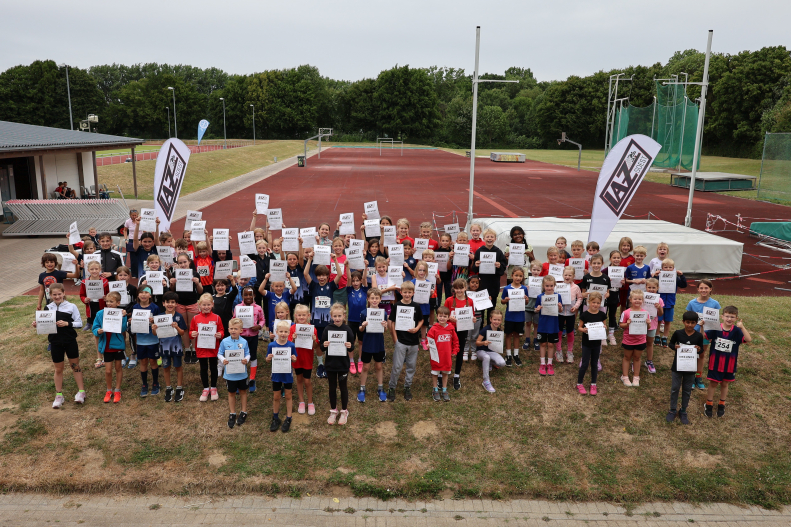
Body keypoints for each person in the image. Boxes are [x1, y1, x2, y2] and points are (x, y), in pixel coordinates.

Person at [32, 283, 86, 408]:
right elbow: (45, 325)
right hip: (55, 342)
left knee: (75, 366)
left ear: (64, 293)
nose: (57, 296)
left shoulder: (71, 306)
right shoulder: (48, 308)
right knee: (58, 369)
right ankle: (59, 395)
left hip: (70, 340)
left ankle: (81, 392)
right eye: (54, 294)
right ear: (50, 295)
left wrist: (67, 323)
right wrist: (37, 324)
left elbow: (79, 323)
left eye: (59, 294)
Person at [704, 306, 751, 418]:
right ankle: (709, 403)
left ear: (736, 318)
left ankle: (722, 403)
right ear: (722, 316)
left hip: (729, 364)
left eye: (732, 317)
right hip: (715, 362)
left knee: (725, 383)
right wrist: (701, 326)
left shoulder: (737, 331)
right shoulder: (716, 328)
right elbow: (704, 335)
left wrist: (742, 327)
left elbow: (748, 339)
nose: (729, 319)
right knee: (713, 383)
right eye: (727, 316)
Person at [303, 253, 341, 379]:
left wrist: (335, 260)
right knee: (318, 343)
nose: (321, 277)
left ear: (328, 276)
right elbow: (305, 274)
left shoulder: (331, 286)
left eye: (324, 275)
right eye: (319, 275)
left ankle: (329, 362)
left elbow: (340, 274)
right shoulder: (313, 285)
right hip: (317, 321)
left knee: (329, 342)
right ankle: (320, 364)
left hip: (329, 321)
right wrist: (309, 259)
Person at [387, 281, 424, 402]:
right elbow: (391, 322)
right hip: (401, 341)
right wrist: (395, 339)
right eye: (405, 292)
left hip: (413, 342)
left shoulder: (416, 306)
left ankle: (407, 386)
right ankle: (392, 387)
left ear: (413, 293)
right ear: (401, 292)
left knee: (411, 366)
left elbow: (421, 320)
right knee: (397, 366)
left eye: (409, 292)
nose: (407, 294)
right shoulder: (397, 306)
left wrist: (417, 329)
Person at [666, 311, 704, 424]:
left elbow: (701, 349)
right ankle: (672, 410)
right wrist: (675, 347)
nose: (690, 325)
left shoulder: (698, 336)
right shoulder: (678, 333)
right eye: (687, 322)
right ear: (683, 322)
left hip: (691, 368)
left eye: (693, 323)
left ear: (696, 323)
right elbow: (671, 344)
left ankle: (683, 411)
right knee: (675, 388)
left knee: (687, 390)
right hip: (677, 366)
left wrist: (698, 349)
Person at [321, 304, 356, 424]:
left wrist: (350, 346)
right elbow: (321, 346)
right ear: (331, 316)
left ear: (344, 316)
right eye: (335, 316)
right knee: (332, 387)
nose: (337, 318)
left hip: (343, 364)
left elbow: (352, 347)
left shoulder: (347, 329)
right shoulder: (327, 329)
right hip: (330, 364)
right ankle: (333, 411)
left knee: (343, 387)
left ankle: (344, 411)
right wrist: (324, 345)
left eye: (339, 316)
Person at [685, 280, 720, 390]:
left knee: (701, 355)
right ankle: (690, 377)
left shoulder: (715, 304)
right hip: (692, 333)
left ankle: (698, 377)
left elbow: (715, 321)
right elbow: (687, 318)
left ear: (710, 289)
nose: (704, 290)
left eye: (706, 288)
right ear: (698, 289)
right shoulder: (692, 303)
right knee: (692, 354)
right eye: (701, 288)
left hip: (706, 334)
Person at [93, 292, 128, 403]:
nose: (108, 303)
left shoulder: (122, 314)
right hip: (106, 346)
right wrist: (98, 331)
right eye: (107, 301)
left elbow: (122, 329)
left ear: (118, 303)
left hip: (117, 345)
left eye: (111, 301)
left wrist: (123, 317)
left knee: (118, 368)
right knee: (108, 371)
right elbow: (95, 328)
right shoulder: (100, 314)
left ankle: (117, 390)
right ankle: (109, 390)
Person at [153, 291, 187, 403]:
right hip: (164, 347)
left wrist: (177, 327)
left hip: (176, 347)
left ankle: (179, 388)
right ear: (163, 303)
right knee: (166, 367)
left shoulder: (179, 317)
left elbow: (182, 333)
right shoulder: (159, 317)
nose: (170, 304)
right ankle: (168, 388)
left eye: (173, 302)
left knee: (178, 367)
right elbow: (155, 334)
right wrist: (153, 328)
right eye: (167, 302)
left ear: (176, 304)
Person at [170, 253, 203, 364]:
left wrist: (197, 283)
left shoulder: (195, 274)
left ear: (189, 262)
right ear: (178, 264)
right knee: (183, 328)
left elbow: (200, 291)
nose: (183, 264)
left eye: (185, 262)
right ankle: (187, 349)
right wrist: (172, 283)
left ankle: (194, 349)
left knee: (192, 326)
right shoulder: (175, 273)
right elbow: (172, 290)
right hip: (180, 304)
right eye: (180, 263)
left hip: (192, 303)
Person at [189, 293, 224, 402]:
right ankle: (205, 388)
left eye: (208, 304)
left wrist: (220, 335)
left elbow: (222, 330)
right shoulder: (195, 318)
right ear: (199, 305)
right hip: (201, 349)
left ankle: (213, 387)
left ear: (212, 305)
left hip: (213, 348)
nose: (206, 307)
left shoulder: (217, 318)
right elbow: (190, 332)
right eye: (204, 305)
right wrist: (192, 334)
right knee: (203, 368)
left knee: (213, 368)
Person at [218, 318, 251, 429]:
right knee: (231, 393)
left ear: (241, 330)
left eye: (236, 329)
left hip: (242, 374)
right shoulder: (224, 341)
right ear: (228, 329)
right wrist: (223, 360)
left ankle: (243, 411)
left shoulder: (244, 342)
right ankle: (232, 413)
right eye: (231, 328)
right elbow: (219, 354)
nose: (233, 331)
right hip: (230, 374)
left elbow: (248, 354)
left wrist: (246, 359)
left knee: (243, 392)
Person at [358, 288, 389, 402]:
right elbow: (360, 330)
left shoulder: (383, 313)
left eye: (377, 298)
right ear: (368, 299)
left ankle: (380, 388)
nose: (374, 300)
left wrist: (385, 326)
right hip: (367, 344)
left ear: (380, 299)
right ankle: (362, 388)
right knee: (365, 367)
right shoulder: (363, 313)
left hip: (378, 344)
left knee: (379, 366)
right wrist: (363, 325)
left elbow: (384, 331)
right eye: (372, 298)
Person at [445, 278, 476, 390]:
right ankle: (442, 373)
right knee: (447, 351)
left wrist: (473, 319)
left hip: (462, 330)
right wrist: (449, 318)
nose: (459, 290)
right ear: (454, 289)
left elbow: (472, 315)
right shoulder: (449, 300)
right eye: (456, 288)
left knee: (459, 351)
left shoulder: (470, 301)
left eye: (461, 288)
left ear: (465, 288)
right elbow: (443, 315)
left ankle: (456, 375)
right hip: (450, 330)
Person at [288, 305, 319, 415]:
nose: (301, 317)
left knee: (307, 381)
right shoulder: (292, 329)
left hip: (307, 359)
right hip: (297, 359)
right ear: (295, 316)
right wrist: (293, 338)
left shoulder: (312, 329)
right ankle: (301, 401)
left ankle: (310, 402)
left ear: (308, 316)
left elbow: (315, 347)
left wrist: (314, 340)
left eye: (303, 315)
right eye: (299, 315)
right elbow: (289, 345)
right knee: (299, 379)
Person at [234, 286, 265, 393]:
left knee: (252, 356)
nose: (248, 297)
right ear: (242, 296)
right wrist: (236, 327)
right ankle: (240, 379)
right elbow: (234, 319)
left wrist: (259, 326)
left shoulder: (258, 308)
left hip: (253, 336)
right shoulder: (238, 307)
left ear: (254, 295)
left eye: (250, 294)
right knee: (240, 357)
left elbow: (262, 320)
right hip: (241, 337)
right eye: (245, 295)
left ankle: (252, 379)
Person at [472, 228, 506, 324]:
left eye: (492, 237)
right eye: (487, 237)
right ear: (484, 238)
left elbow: (502, 271)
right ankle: (481, 328)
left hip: (494, 284)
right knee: (481, 309)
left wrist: (499, 266)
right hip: (482, 284)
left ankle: (490, 328)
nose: (489, 238)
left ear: (495, 239)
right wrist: (476, 265)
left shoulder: (498, 252)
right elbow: (474, 269)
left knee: (491, 308)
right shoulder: (479, 251)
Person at [132, 286, 161, 397]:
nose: (143, 295)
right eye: (141, 292)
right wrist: (132, 320)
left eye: (146, 292)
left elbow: (159, 323)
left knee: (153, 362)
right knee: (143, 362)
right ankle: (144, 384)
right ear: (138, 295)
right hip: (140, 341)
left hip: (153, 340)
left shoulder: (155, 307)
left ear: (150, 295)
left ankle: (155, 383)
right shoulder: (135, 307)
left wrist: (154, 321)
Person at [577, 291, 607, 396]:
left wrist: (605, 328)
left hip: (597, 344)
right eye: (593, 302)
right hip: (586, 344)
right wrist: (584, 330)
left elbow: (604, 326)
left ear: (601, 303)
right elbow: (579, 327)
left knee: (594, 363)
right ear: (589, 302)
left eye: (598, 303)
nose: (595, 305)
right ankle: (579, 383)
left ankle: (593, 383)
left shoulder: (602, 314)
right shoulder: (585, 315)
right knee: (584, 364)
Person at [654, 257, 687, 348]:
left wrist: (681, 276)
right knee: (658, 320)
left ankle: (665, 337)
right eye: (665, 267)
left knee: (668, 321)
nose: (668, 269)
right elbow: (652, 284)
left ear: (673, 268)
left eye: (670, 267)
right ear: (662, 268)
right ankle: (657, 335)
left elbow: (683, 285)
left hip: (670, 302)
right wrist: (655, 276)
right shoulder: (659, 276)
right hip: (660, 302)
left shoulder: (675, 278)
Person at [427, 306, 459, 401]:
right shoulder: (433, 329)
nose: (442, 318)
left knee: (445, 373)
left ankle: (444, 390)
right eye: (440, 316)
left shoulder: (451, 328)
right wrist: (428, 344)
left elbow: (456, 341)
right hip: (436, 356)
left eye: (445, 316)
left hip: (446, 356)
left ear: (448, 317)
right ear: (437, 316)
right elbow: (428, 340)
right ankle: (435, 389)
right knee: (435, 373)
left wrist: (455, 351)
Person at [619, 290, 648, 387]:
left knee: (637, 358)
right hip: (628, 339)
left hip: (640, 340)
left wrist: (648, 323)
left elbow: (647, 327)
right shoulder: (626, 312)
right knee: (627, 357)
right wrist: (627, 324)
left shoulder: (645, 313)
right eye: (635, 299)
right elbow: (621, 325)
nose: (637, 301)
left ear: (642, 301)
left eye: (640, 299)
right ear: (630, 300)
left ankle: (636, 377)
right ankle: (625, 376)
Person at [500, 268, 528, 367]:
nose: (518, 278)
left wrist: (526, 299)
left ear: (523, 277)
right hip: (510, 317)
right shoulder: (507, 288)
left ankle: (516, 354)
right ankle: (508, 355)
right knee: (508, 335)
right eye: (516, 275)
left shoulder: (524, 289)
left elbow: (526, 302)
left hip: (520, 317)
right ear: (512, 276)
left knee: (517, 335)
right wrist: (506, 300)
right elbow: (502, 301)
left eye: (520, 276)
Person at [535, 275, 562, 376]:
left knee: (551, 344)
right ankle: (543, 363)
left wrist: (560, 307)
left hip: (553, 324)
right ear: (543, 286)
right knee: (542, 343)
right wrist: (537, 309)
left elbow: (561, 310)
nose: (549, 288)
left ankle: (549, 363)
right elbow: (535, 309)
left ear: (554, 285)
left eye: (551, 286)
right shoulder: (540, 297)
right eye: (547, 286)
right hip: (543, 324)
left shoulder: (558, 296)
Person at [475, 310, 506, 393]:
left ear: (501, 321)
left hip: (491, 352)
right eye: (495, 319)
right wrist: (483, 343)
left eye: (499, 320)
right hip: (481, 351)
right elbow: (477, 343)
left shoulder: (500, 331)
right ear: (490, 319)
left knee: (502, 363)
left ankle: (490, 363)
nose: (497, 322)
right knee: (486, 357)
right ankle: (486, 381)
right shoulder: (485, 329)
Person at [556, 266, 582, 364]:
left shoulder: (576, 287)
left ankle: (569, 351)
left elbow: (580, 298)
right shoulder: (558, 286)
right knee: (559, 331)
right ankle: (558, 351)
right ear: (562, 275)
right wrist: (558, 305)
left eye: (570, 275)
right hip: (560, 312)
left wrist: (575, 307)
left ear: (574, 276)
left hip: (571, 313)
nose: (567, 277)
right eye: (565, 275)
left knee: (570, 332)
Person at [345, 268, 368, 375]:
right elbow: (348, 277)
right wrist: (348, 265)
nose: (355, 283)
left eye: (357, 281)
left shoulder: (364, 290)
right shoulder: (349, 290)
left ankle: (360, 360)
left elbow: (364, 277)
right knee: (351, 341)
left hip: (362, 320)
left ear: (361, 281)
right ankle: (351, 361)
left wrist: (366, 266)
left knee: (361, 341)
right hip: (351, 320)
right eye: (353, 281)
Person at [642, 278, 664, 375]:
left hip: (652, 325)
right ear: (646, 287)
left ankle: (649, 361)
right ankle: (636, 360)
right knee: (639, 342)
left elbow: (660, 314)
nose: (651, 289)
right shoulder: (642, 297)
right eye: (649, 287)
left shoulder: (659, 300)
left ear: (658, 288)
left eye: (653, 287)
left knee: (650, 343)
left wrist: (659, 307)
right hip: (641, 324)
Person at [603, 250, 624, 347]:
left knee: (612, 314)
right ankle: (602, 335)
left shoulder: (622, 270)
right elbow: (599, 280)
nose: (616, 259)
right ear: (610, 259)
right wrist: (606, 280)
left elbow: (623, 285)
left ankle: (611, 334)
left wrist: (624, 282)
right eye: (614, 257)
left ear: (621, 259)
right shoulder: (605, 271)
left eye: (618, 258)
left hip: (615, 295)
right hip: (605, 295)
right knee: (603, 315)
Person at [411, 261, 433, 349]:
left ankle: (423, 339)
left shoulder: (428, 283)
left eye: (424, 270)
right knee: (414, 323)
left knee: (424, 323)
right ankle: (414, 340)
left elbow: (429, 297)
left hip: (425, 307)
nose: (421, 272)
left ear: (426, 272)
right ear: (416, 270)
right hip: (415, 307)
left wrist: (430, 293)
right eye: (420, 270)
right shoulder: (412, 282)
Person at [523, 260, 543, 352]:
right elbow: (522, 293)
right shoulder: (527, 280)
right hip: (527, 306)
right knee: (528, 323)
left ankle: (536, 339)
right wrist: (525, 289)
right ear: (531, 270)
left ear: (541, 271)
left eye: (538, 270)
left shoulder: (542, 281)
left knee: (536, 324)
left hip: (537, 306)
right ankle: (527, 339)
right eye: (534, 269)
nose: (536, 272)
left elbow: (544, 292)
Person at [617, 237, 635, 311]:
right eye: (624, 245)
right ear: (620, 246)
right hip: (617, 284)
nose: (626, 247)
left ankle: (622, 320)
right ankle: (614, 321)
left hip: (628, 285)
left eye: (628, 245)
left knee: (624, 304)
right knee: (616, 303)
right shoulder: (616, 257)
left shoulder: (632, 258)